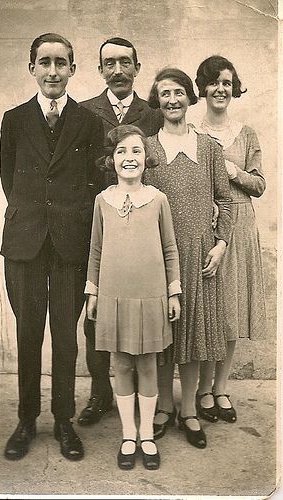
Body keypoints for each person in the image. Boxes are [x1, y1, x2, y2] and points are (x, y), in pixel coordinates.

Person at [0, 33, 104, 461]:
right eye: (44, 63)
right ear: (32, 69)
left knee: (65, 336)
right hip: (25, 243)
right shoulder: (14, 119)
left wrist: (66, 220)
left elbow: (94, 183)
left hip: (69, 247)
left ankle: (64, 419)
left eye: (61, 63)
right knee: (28, 334)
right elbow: (10, 179)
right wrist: (34, 216)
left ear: (73, 70)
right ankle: (27, 419)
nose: (53, 71)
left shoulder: (88, 122)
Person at [144, 67, 232, 448]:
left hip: (200, 257)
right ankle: (164, 406)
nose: (173, 100)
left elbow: (225, 202)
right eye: (165, 93)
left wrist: (220, 244)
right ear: (157, 100)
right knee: (165, 337)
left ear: (189, 97)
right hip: (160, 258)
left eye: (179, 92)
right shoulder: (146, 148)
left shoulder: (209, 147)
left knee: (194, 335)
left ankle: (190, 411)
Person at [78, 37, 163, 427]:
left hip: (144, 227)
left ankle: (149, 402)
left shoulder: (154, 113)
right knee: (97, 312)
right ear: (100, 70)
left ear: (137, 67)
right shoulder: (83, 112)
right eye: (109, 63)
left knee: (146, 315)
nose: (117, 70)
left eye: (125, 62)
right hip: (99, 223)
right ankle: (101, 393)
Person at [85, 124, 181, 470]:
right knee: (122, 364)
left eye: (136, 151)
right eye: (121, 151)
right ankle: (128, 434)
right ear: (110, 160)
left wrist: (173, 292)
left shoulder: (158, 200)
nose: (129, 158)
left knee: (147, 364)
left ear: (146, 157)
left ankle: (147, 435)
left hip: (151, 295)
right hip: (114, 295)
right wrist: (92, 292)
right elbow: (96, 250)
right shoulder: (102, 200)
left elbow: (170, 248)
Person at [195, 55, 266, 423]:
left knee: (233, 310)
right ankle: (202, 389)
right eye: (213, 82)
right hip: (207, 225)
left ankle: (220, 388)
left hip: (240, 224)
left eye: (226, 82)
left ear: (233, 87)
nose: (220, 89)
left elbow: (260, 184)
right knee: (210, 310)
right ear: (202, 88)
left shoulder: (246, 133)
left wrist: (233, 170)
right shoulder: (193, 132)